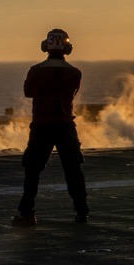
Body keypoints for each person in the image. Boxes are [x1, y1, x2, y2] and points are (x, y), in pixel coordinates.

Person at [12, 29, 89, 226]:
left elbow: (28, 92)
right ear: (67, 48)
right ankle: (81, 211)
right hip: (65, 125)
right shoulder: (74, 73)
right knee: (73, 170)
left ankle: (27, 212)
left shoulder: (35, 71)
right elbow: (72, 93)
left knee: (32, 170)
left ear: (46, 47)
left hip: (41, 126)